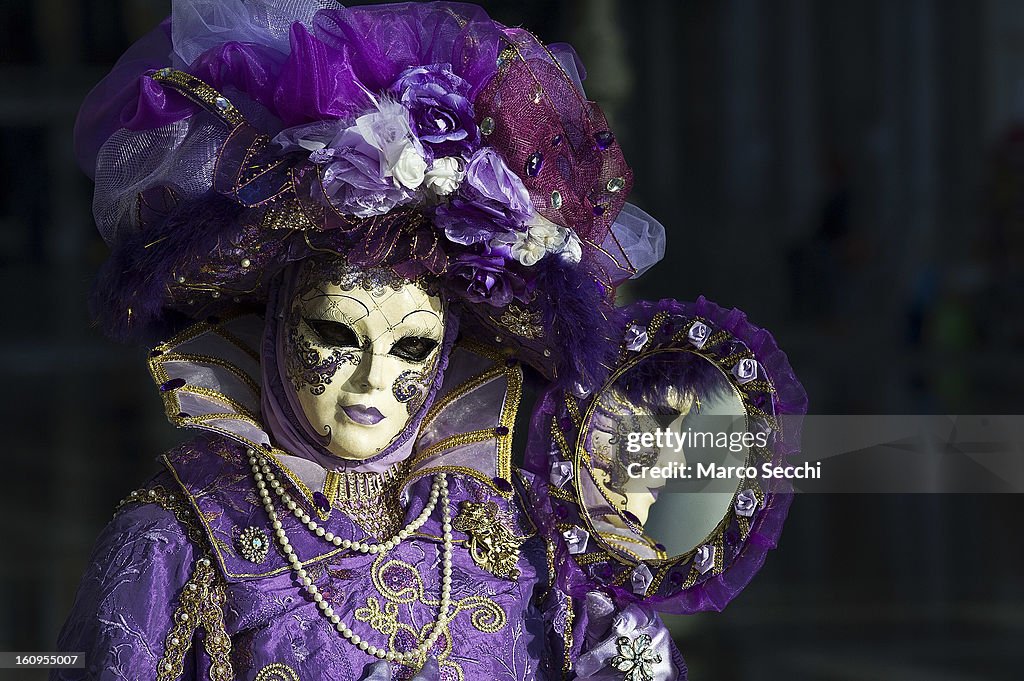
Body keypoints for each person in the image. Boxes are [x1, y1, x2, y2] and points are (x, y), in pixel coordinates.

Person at [56, 2, 805, 679]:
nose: (373, 379)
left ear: (449, 349)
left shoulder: (516, 538)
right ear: (275, 316)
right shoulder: (176, 539)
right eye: (335, 332)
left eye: (413, 346)